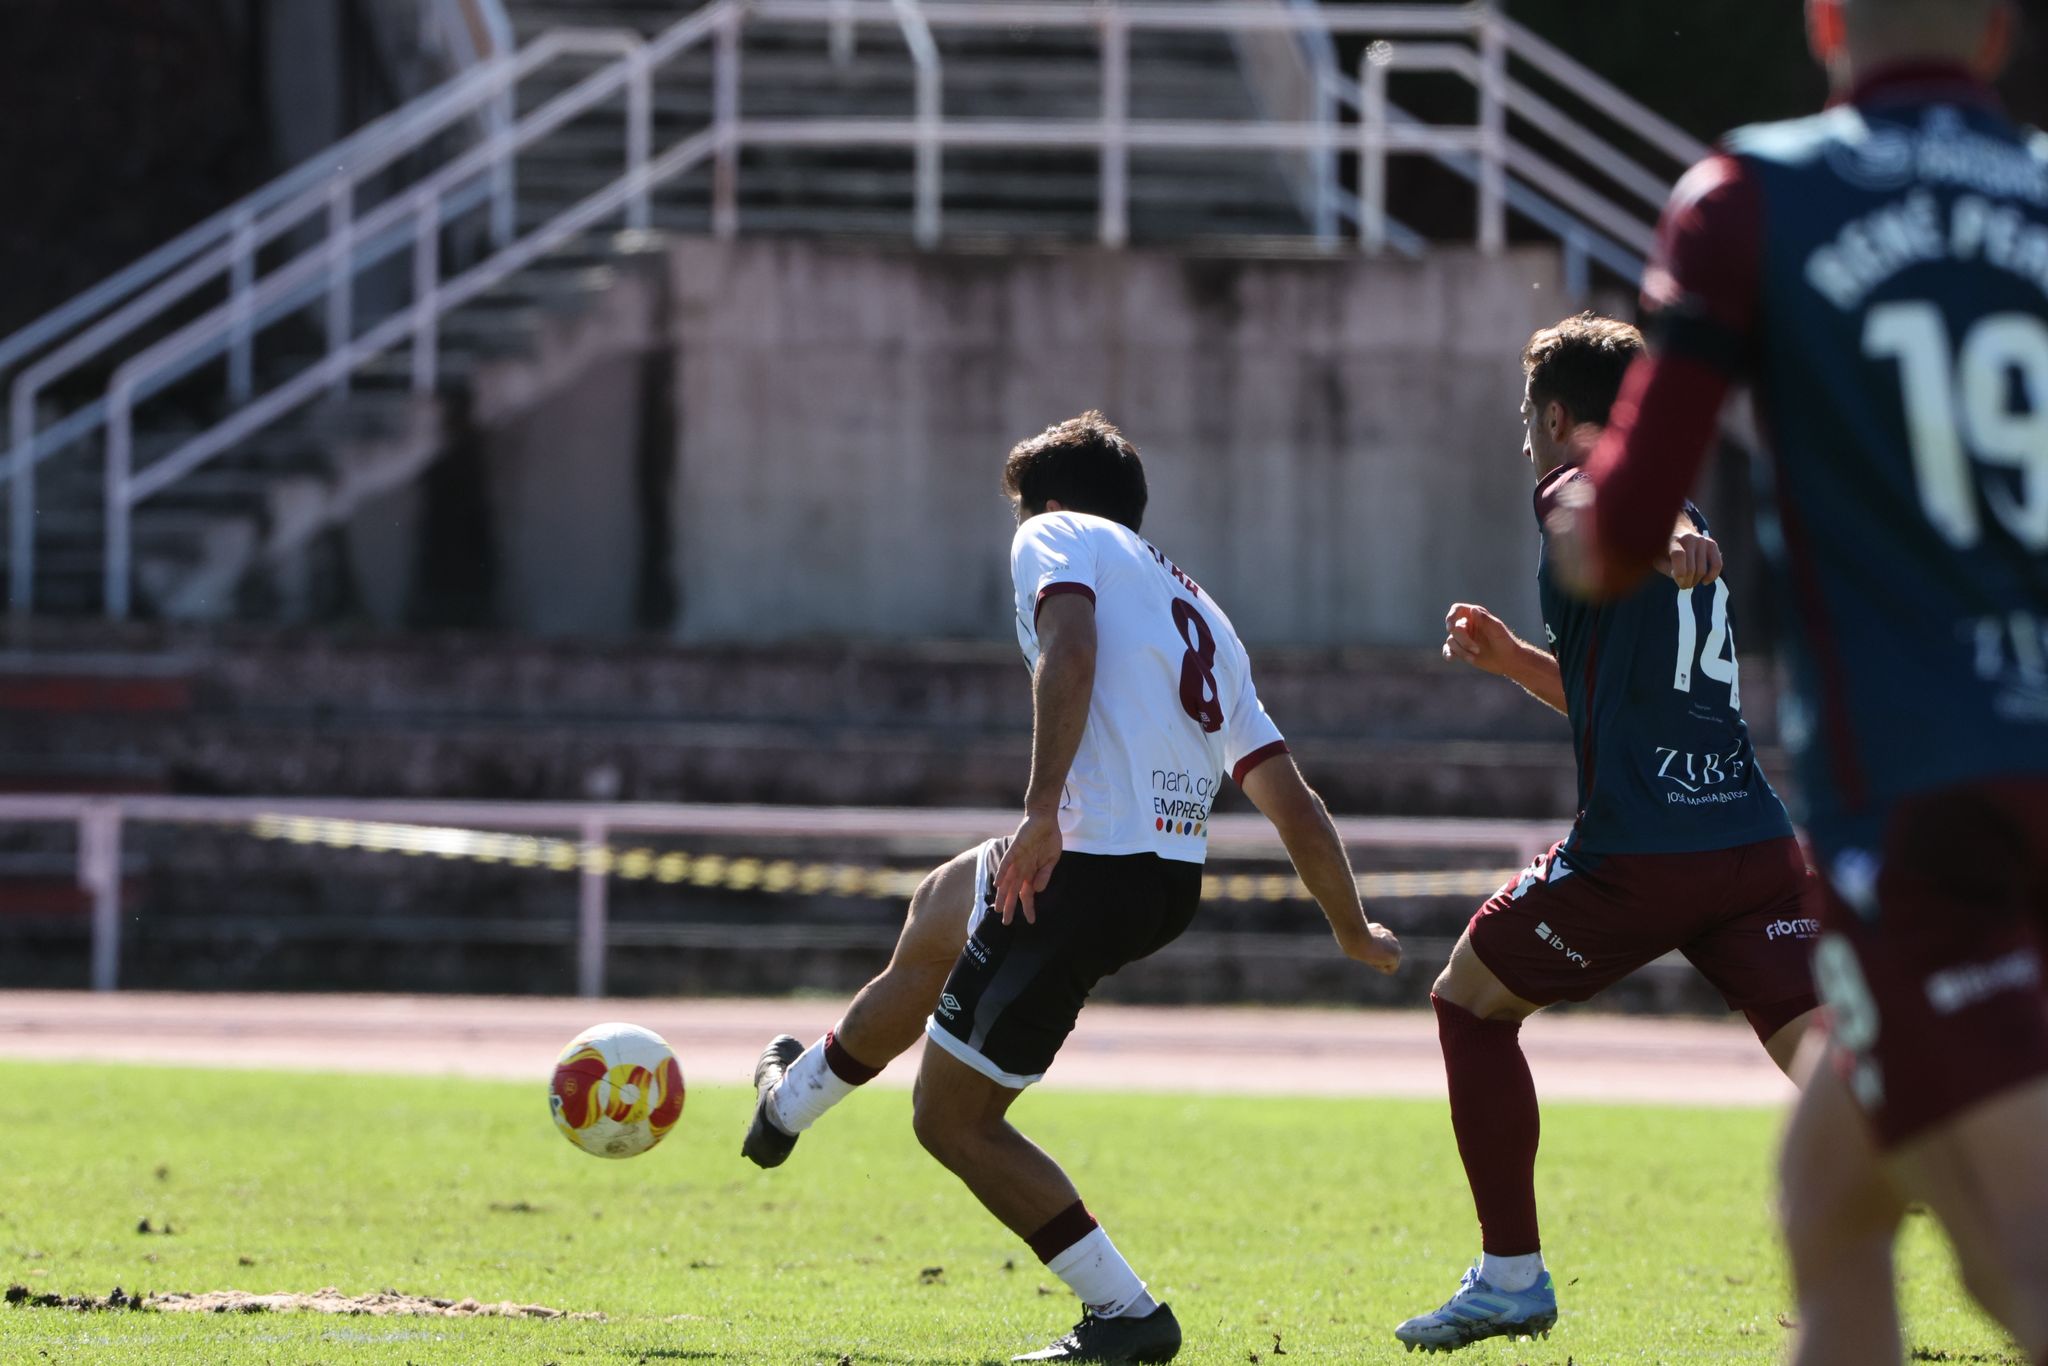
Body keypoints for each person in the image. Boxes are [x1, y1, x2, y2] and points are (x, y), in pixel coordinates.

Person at [1550, 1, 2048, 1360]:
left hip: (1924, 794)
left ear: (1825, 21)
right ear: (1997, 33)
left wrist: (1579, 502)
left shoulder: (1753, 193)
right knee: (1831, 1198)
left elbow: (1618, 533)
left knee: (2020, 1268)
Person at [738, 411, 1403, 1364]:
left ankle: (1128, 1316)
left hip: (1082, 866)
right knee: (937, 913)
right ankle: (784, 1108)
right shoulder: (1204, 612)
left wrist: (1042, 811)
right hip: (1162, 877)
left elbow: (1072, 650)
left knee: (950, 1119)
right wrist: (1351, 924)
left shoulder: (1053, 535)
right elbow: (1288, 795)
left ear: (1049, 505)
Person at [1391, 314, 1820, 1353]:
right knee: (1841, 1069)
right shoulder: (1672, 506)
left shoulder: (1583, 490)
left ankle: (1507, 1280)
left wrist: (1659, 541)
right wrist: (1509, 661)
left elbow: (1580, 504)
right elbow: (1621, 696)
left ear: (1550, 413)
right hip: (1752, 844)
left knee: (1468, 1003)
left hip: (1641, 850)